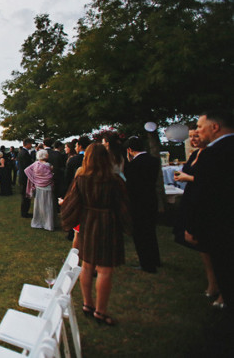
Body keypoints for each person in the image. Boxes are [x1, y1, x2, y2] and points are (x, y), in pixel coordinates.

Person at [61, 143, 131, 326]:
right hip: (108, 224)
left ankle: (87, 304)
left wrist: (68, 221)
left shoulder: (81, 179)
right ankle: (100, 310)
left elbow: (70, 203)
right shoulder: (114, 180)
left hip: (88, 223)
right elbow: (123, 206)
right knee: (105, 269)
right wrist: (129, 226)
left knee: (87, 265)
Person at [174, 123, 222, 306]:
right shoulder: (195, 155)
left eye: (197, 135)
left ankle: (223, 291)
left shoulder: (212, 155)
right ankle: (212, 283)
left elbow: (214, 181)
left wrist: (188, 178)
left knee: (214, 246)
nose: (194, 139)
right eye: (191, 137)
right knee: (202, 247)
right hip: (192, 199)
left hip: (207, 202)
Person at [192, 110, 234, 310]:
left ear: (215, 127)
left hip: (221, 223)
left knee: (225, 265)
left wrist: (194, 227)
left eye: (200, 126)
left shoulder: (213, 153)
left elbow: (204, 193)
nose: (198, 131)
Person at [124, 136, 162, 274]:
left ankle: (146, 263)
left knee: (140, 234)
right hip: (151, 199)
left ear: (129, 150)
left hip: (138, 202)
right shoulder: (154, 161)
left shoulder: (132, 165)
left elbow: (130, 185)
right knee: (151, 231)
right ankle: (155, 259)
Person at [24, 149, 55, 231]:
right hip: (47, 187)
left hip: (38, 186)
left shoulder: (35, 164)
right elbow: (50, 176)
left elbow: (26, 170)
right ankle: (47, 224)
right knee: (48, 205)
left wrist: (34, 179)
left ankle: (38, 222)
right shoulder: (48, 165)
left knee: (38, 205)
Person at [18, 139, 35, 217]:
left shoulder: (22, 152)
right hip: (25, 177)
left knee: (25, 195)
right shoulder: (24, 153)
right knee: (26, 195)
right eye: (30, 144)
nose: (31, 146)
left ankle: (24, 212)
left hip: (23, 176)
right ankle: (24, 213)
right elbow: (27, 166)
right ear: (27, 144)